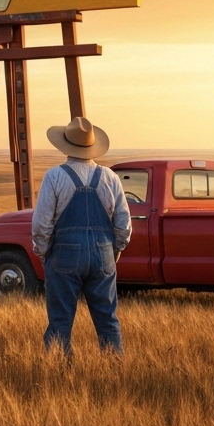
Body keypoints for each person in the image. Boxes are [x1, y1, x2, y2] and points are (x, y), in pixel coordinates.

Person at [31, 116, 132, 354]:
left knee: (60, 320)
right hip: (103, 254)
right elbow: (123, 223)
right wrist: (114, 250)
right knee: (107, 319)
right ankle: (115, 372)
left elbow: (41, 223)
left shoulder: (54, 176)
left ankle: (59, 373)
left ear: (65, 146)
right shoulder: (110, 177)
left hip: (64, 255)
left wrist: (44, 253)